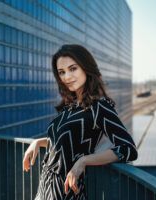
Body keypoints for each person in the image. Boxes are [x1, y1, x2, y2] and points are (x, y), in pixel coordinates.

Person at [23, 44, 138, 200]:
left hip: (66, 192)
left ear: (86, 67)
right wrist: (39, 142)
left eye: (73, 69)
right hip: (45, 188)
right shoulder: (69, 106)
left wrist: (83, 161)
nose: (67, 77)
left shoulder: (99, 106)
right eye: (61, 72)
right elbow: (67, 144)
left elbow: (128, 148)